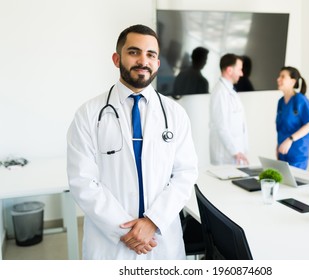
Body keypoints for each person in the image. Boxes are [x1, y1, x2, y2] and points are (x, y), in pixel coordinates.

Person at [66, 24, 198, 260]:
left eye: (151, 55)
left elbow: (185, 174)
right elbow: (82, 181)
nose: (142, 61)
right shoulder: (88, 114)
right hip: (111, 244)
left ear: (157, 63)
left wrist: (152, 221)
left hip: (160, 240)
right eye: (134, 52)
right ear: (117, 59)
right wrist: (125, 230)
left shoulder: (175, 114)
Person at [209, 53, 249, 165]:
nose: (241, 73)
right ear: (229, 70)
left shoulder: (230, 90)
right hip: (225, 154)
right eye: (239, 69)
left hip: (236, 153)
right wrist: (235, 151)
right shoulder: (220, 92)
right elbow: (221, 126)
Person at [276, 66, 309, 170]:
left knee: (295, 182)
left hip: (297, 152)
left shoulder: (301, 100)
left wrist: (290, 140)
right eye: (279, 76)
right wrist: (278, 146)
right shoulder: (281, 102)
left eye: (282, 76)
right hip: (283, 151)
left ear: (292, 82)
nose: (278, 79)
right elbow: (281, 128)